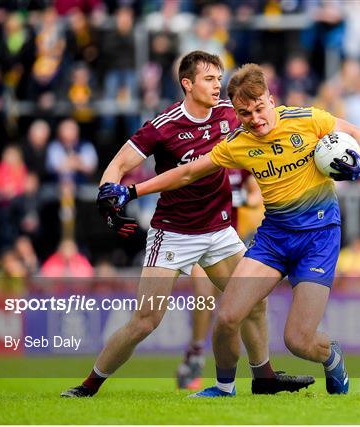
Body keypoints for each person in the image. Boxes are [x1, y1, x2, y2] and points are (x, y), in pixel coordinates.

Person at [104, 63, 360, 397]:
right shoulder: (238, 142)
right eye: (245, 113)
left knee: (298, 341)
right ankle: (224, 387)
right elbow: (188, 173)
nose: (255, 119)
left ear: (270, 99)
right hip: (274, 237)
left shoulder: (307, 119)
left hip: (319, 237)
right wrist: (131, 191)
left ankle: (332, 357)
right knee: (229, 316)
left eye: (260, 108)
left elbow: (358, 135)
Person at [61, 52, 313, 398]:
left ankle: (265, 378)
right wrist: (108, 196)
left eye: (219, 77)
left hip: (221, 230)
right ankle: (89, 385)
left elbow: (270, 127)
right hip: (174, 233)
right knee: (146, 320)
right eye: (209, 78)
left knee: (255, 302)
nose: (217, 85)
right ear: (187, 83)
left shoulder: (230, 113)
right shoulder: (162, 126)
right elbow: (118, 165)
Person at [177, 169, 262, 390]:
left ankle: (259, 368)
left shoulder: (238, 160)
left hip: (230, 243)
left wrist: (237, 197)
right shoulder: (200, 159)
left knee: (245, 302)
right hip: (200, 238)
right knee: (204, 297)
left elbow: (256, 195)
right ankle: (195, 355)